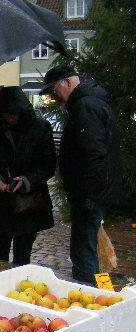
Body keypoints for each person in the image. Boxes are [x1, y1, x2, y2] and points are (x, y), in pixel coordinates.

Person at [41, 65, 125, 284]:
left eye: (55, 90)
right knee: (93, 246)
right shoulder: (89, 102)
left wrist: (88, 194)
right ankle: (101, 292)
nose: (54, 96)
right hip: (92, 191)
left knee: (85, 250)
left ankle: (92, 295)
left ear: (68, 82)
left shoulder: (85, 106)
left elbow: (93, 153)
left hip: (90, 193)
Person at [0, 86, 56, 265]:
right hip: (1, 201)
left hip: (28, 202)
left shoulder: (40, 127)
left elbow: (48, 165)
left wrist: (27, 180)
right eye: (6, 114)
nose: (10, 119)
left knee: (23, 254)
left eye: (13, 114)